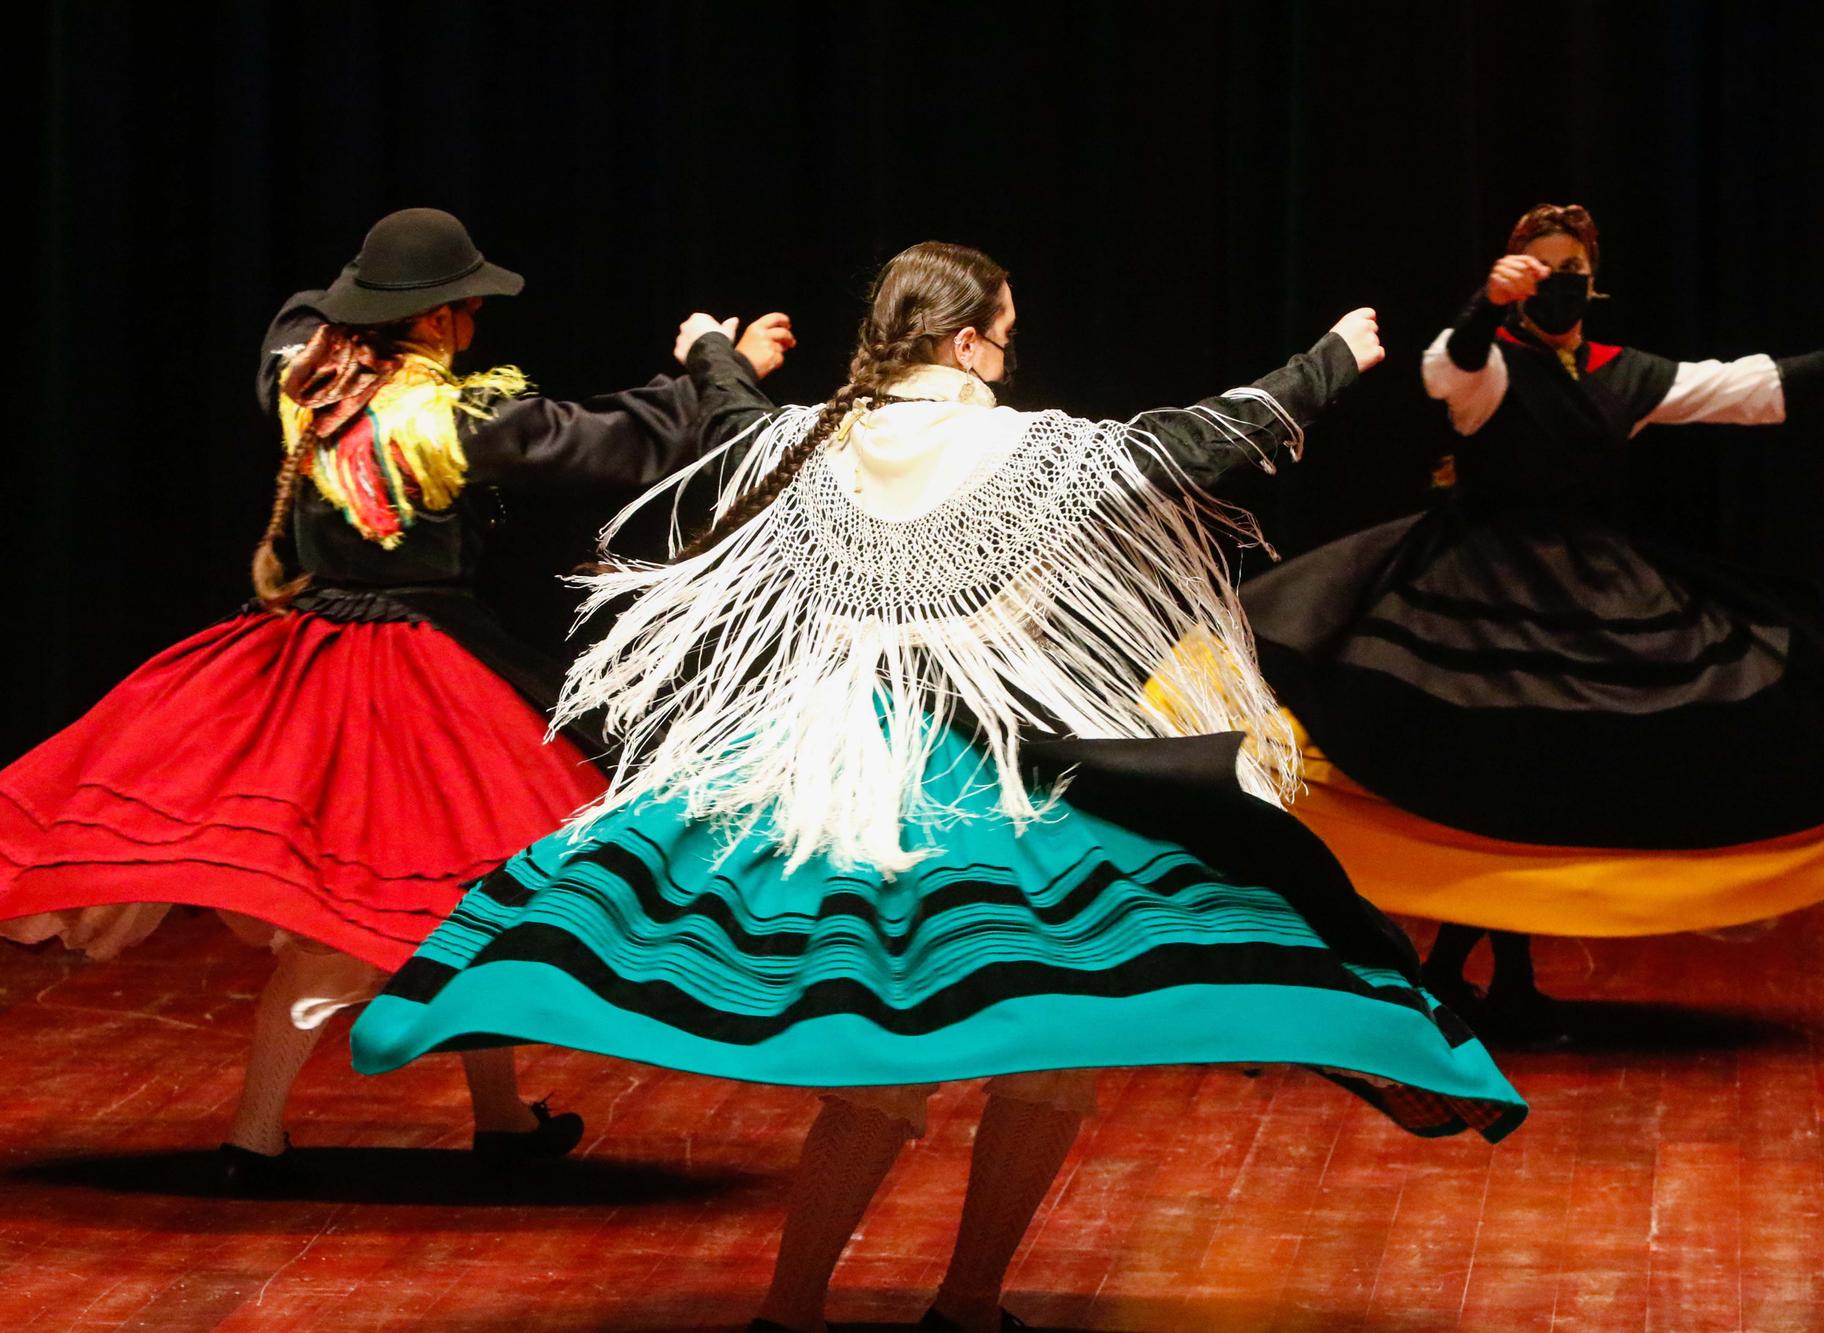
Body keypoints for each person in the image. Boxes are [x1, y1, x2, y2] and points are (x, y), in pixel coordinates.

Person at [349, 241, 1524, 1331]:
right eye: (1002, 338)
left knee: (879, 1063)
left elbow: (729, 411)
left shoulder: (803, 441)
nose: (1008, 361)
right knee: (1049, 1049)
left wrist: (708, 343)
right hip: (993, 776)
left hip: (830, 767)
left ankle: (794, 1309)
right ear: (965, 344)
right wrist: (1330, 360)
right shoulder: (1026, 450)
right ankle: (963, 1305)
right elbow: (1198, 442)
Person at [0, 207, 797, 1190]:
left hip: (302, 650)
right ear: (442, 319)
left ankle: (498, 1116)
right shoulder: (455, 419)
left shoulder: (303, 369)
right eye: (465, 307)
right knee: (366, 912)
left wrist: (373, 299)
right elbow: (627, 440)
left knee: (470, 894)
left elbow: (306, 308)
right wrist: (719, 358)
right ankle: (253, 1136)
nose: (475, 324)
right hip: (402, 681)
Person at [1239, 203, 1824, 1041]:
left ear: (1595, 280)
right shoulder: (1495, 364)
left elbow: (1750, 388)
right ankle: (1464, 971)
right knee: (1489, 768)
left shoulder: (1625, 374)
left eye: (1573, 273)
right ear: (1519, 282)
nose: (1560, 287)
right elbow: (1447, 370)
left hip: (1593, 592)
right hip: (1478, 585)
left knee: (1544, 775)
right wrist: (1483, 303)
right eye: (1541, 273)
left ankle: (1485, 976)